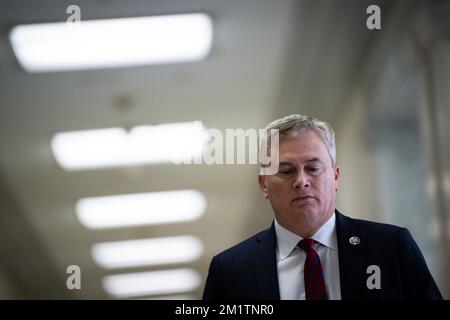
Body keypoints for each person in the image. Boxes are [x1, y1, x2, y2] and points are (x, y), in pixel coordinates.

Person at [203, 114, 443, 300]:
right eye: (286, 171)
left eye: (313, 168)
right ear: (264, 184)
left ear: (335, 176)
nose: (301, 181)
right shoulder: (231, 272)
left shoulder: (391, 248)